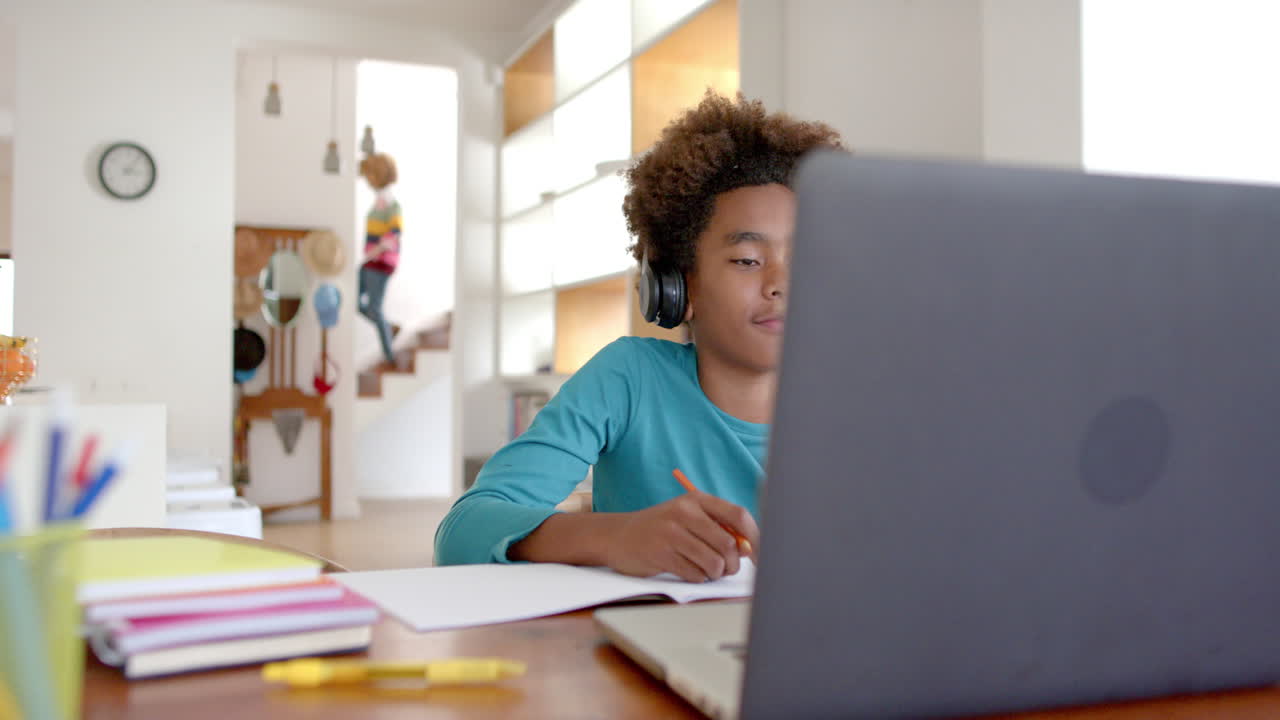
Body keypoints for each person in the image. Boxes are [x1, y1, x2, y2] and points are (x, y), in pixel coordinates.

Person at [435, 93, 846, 582]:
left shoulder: (854, 401)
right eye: (747, 260)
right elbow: (462, 531)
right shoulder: (629, 378)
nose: (780, 282)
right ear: (677, 287)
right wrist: (614, 537)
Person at [358, 153, 401, 367]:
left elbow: (394, 233)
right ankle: (388, 327)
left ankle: (389, 356)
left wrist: (375, 251)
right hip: (370, 261)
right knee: (356, 302)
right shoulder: (380, 201)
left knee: (374, 307)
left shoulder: (390, 203)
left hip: (381, 262)